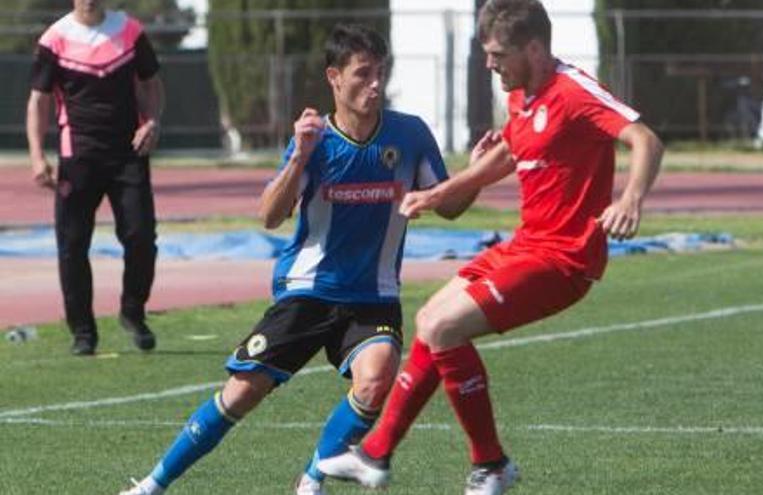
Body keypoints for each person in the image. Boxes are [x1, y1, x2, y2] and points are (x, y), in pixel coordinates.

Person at [318, 1, 664, 494]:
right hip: (525, 246)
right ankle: (375, 455)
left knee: (443, 326)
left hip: (564, 258)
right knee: (430, 319)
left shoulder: (573, 91)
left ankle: (490, 464)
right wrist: (441, 193)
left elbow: (645, 139)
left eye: (498, 54)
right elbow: (507, 153)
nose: (489, 64)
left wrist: (631, 199)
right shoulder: (522, 94)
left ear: (535, 48)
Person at [119, 23, 475, 495]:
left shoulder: (409, 134)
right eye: (362, 74)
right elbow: (269, 215)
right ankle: (151, 485)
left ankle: (309, 482)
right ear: (334, 78)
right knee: (242, 394)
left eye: (380, 73)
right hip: (307, 292)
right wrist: (298, 157)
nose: (375, 84)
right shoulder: (317, 140)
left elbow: (448, 206)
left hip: (374, 296)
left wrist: (472, 176)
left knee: (377, 376)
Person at [26, 0, 165, 356]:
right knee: (72, 245)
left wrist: (151, 121)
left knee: (141, 237)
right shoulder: (55, 38)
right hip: (78, 157)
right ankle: (83, 332)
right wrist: (37, 155)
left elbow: (151, 83)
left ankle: (133, 310)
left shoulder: (130, 31)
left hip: (128, 154)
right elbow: (39, 101)